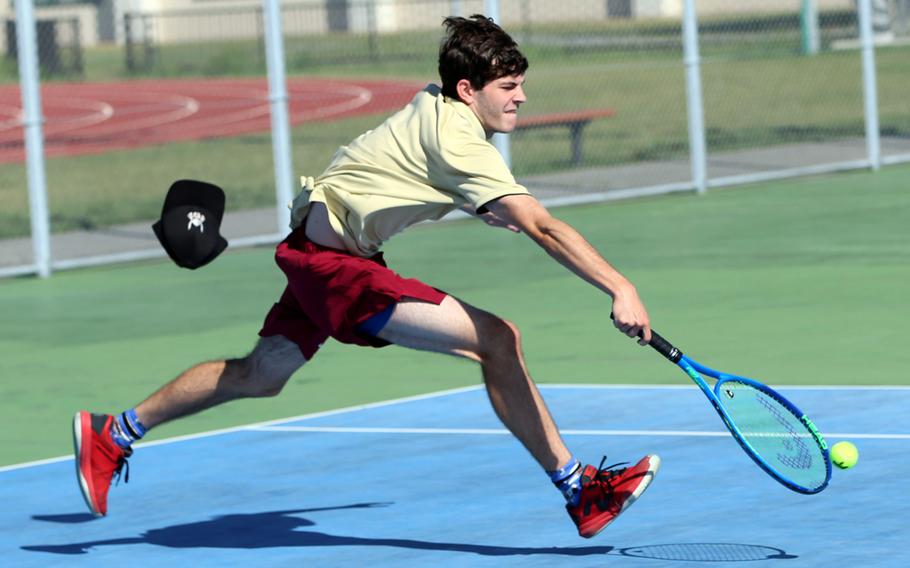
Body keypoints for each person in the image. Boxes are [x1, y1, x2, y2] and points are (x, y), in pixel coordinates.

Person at [73, 14, 659, 539]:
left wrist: (492, 208)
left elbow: (410, 172)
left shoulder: (434, 104)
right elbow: (544, 227)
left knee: (262, 373)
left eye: (520, 85)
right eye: (508, 87)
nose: (522, 98)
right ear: (466, 90)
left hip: (319, 253)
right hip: (337, 270)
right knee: (497, 340)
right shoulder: (458, 139)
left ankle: (115, 432)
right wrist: (620, 287)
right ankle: (578, 490)